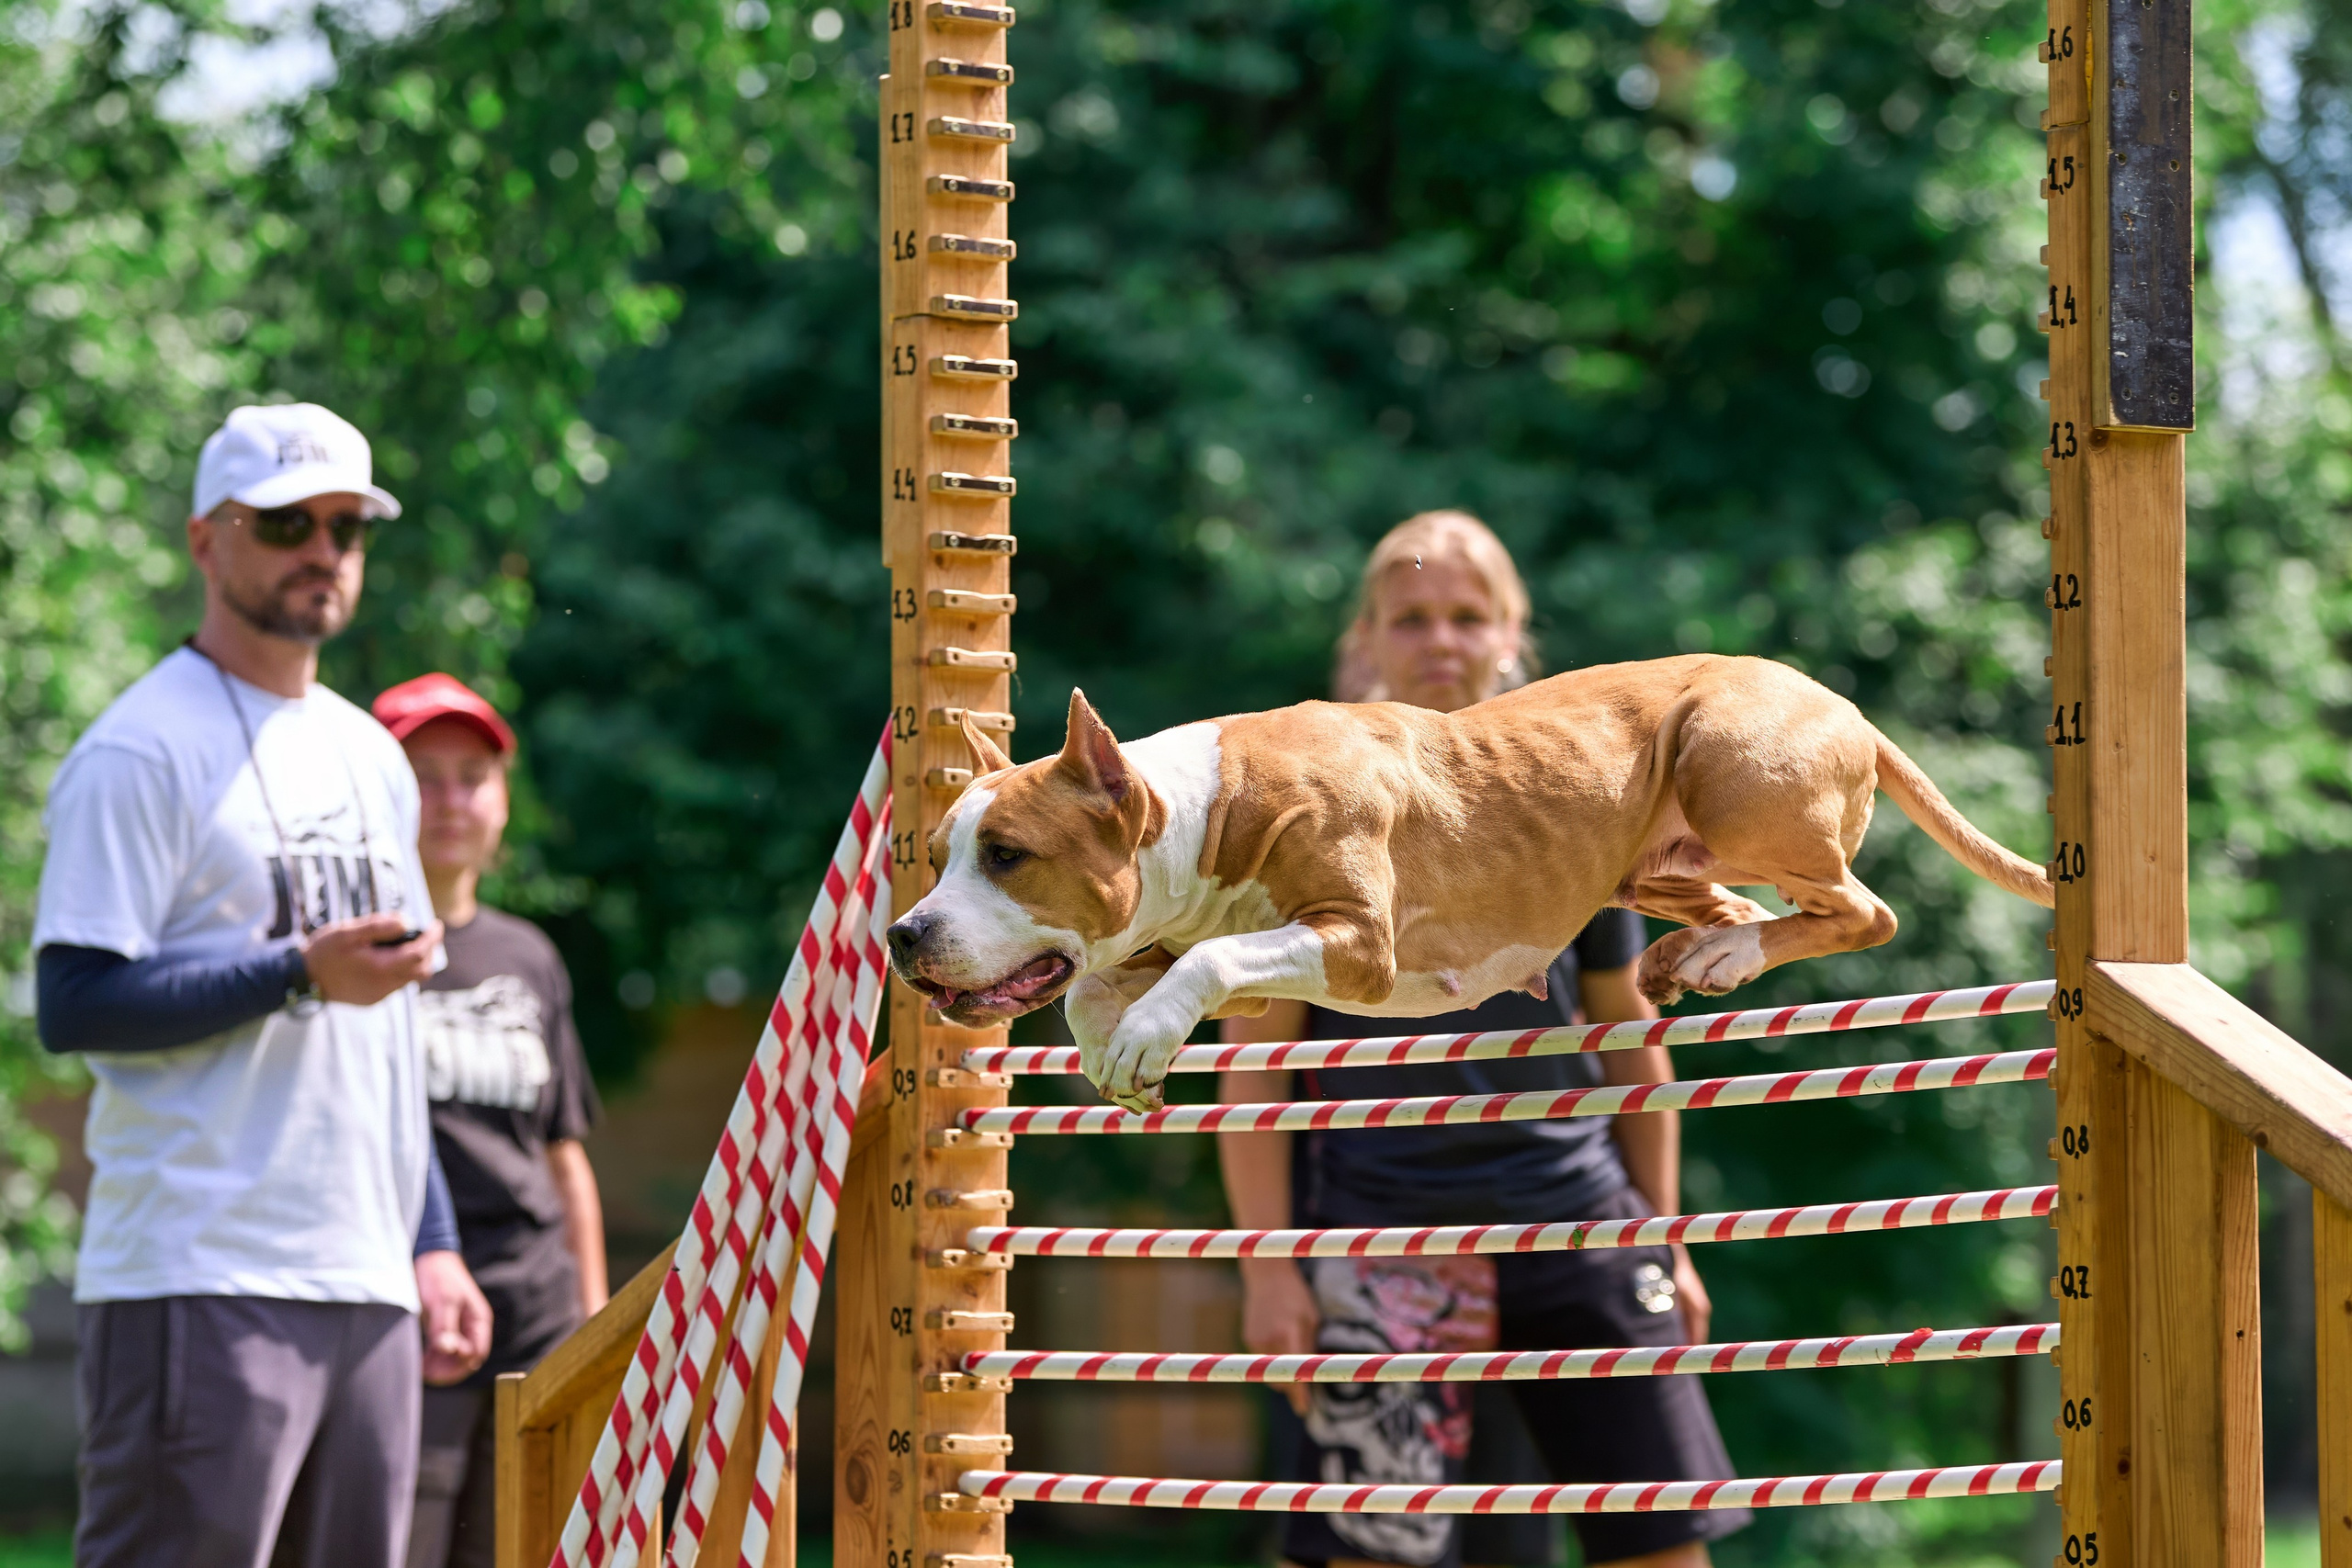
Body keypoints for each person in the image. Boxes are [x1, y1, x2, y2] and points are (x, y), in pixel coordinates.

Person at [1217, 511, 1746, 1568]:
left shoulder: (1577, 798)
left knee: (1662, 1547)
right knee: (1367, 1558)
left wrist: (1666, 1231)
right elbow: (1256, 1058)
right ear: (1363, 641)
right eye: (1411, 617)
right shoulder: (1301, 809)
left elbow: (1631, 1039)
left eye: (1469, 616)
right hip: (1377, 1246)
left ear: (1512, 640)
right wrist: (1268, 1270)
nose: (1441, 639)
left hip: (1581, 1228)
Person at [31, 402, 494, 1567]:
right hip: (202, 1270)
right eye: (286, 522)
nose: (323, 551)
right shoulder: (139, 749)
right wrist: (296, 972)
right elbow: (75, 1002)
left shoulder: (369, 754)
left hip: (369, 1274)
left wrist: (430, 1239)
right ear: (206, 539)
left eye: (348, 526)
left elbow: (382, 1042)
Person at [372, 673, 607, 1568]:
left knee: (525, 1546)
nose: (449, 799)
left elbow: (563, 1153)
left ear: (503, 800)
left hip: (532, 1312)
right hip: (399, 1313)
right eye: (421, 775)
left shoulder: (528, 957)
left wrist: (589, 1320)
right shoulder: (351, 954)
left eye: (471, 775)